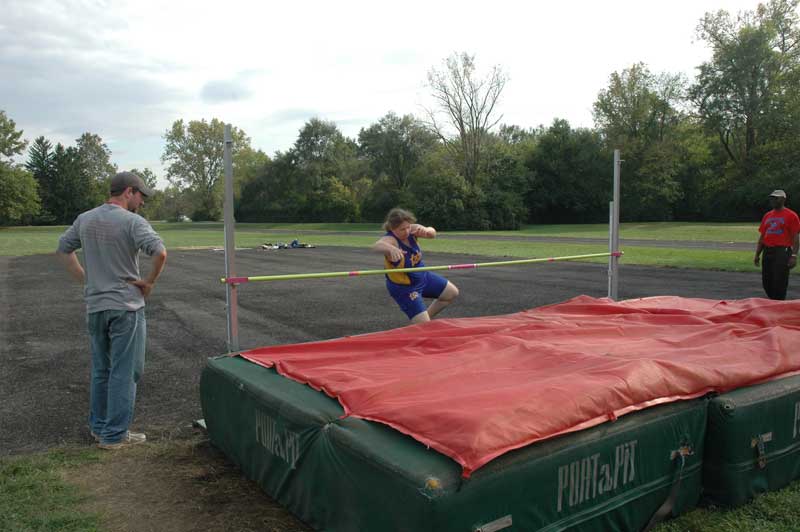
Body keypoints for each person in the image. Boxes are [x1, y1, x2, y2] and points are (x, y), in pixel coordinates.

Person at [56, 171, 167, 449]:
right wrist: (149, 283)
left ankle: (99, 428)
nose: (142, 202)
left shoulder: (85, 218)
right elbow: (160, 252)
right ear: (129, 191)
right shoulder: (132, 222)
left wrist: (87, 279)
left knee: (102, 370)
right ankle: (115, 435)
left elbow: (63, 249)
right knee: (125, 371)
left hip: (96, 307)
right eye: (141, 195)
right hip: (125, 307)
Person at [373, 208, 458, 323]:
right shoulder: (391, 239)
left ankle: (423, 320)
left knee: (451, 293)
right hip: (405, 288)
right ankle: (422, 322)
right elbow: (377, 245)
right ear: (392, 229)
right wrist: (390, 248)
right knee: (425, 326)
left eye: (408, 227)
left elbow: (432, 234)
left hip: (423, 277)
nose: (407, 231)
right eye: (402, 229)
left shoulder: (412, 229)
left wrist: (427, 230)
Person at [754, 189, 800, 300]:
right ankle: (774, 302)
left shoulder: (791, 215)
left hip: (782, 252)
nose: (773, 200)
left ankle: (778, 304)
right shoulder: (767, 216)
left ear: (783, 199)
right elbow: (762, 236)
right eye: (772, 198)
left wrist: (794, 256)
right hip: (767, 251)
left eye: (776, 198)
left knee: (779, 281)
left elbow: (795, 237)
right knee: (767, 281)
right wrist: (757, 254)